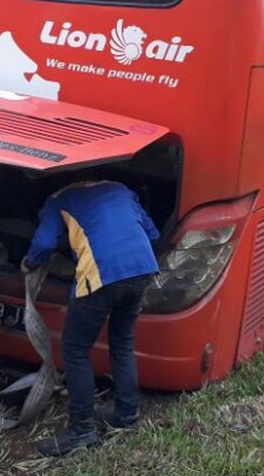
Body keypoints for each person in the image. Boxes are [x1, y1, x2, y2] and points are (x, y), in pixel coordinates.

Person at [21, 180, 160, 456]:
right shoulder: (120, 188)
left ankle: (81, 429)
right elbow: (152, 233)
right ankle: (126, 414)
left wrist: (30, 262)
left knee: (75, 349)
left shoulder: (57, 200)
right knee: (121, 341)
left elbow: (46, 241)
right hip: (143, 268)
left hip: (103, 272)